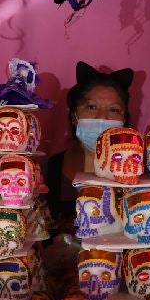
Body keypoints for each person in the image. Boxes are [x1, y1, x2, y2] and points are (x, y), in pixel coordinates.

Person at [45, 61, 135, 227]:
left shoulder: (137, 169)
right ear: (74, 116)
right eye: (91, 107)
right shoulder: (55, 165)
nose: (102, 117)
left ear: (124, 119)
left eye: (114, 110)